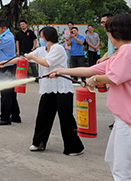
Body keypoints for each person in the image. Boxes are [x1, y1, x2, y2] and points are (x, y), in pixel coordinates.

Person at [50, 13, 131, 181]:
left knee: (123, 170)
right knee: (113, 161)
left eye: (108, 32)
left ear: (115, 34)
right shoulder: (123, 53)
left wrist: (95, 79)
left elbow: (112, 77)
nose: (108, 36)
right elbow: (92, 69)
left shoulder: (129, 51)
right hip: (125, 119)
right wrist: (61, 70)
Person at [9, 26, 84, 155]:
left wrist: (32, 57)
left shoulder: (58, 48)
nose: (40, 38)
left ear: (48, 37)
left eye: (41, 36)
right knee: (43, 115)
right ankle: (39, 143)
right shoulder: (41, 50)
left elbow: (47, 63)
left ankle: (74, 147)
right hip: (48, 88)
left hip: (62, 88)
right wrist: (7, 62)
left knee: (65, 117)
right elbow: (24, 58)